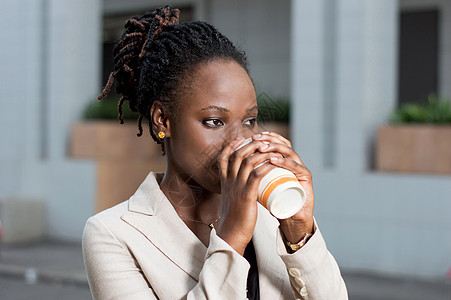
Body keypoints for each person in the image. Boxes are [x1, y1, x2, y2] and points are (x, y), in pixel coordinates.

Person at [82, 6, 348, 300]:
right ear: (163, 120)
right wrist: (231, 239)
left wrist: (299, 231)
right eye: (214, 122)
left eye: (249, 121)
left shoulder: (271, 213)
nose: (239, 140)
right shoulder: (113, 235)